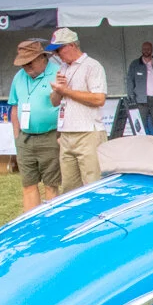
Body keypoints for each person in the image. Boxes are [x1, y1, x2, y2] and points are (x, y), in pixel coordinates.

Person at [47, 28, 107, 192]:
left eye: (59, 49)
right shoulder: (63, 68)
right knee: (69, 187)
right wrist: (58, 90)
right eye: (55, 51)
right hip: (67, 133)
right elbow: (54, 102)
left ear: (72, 45)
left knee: (92, 183)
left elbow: (99, 99)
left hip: (88, 133)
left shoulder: (92, 66)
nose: (58, 55)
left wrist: (66, 91)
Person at [8, 40, 60, 211]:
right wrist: (17, 137)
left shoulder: (57, 73)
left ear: (41, 58)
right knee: (28, 184)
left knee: (51, 184)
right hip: (25, 138)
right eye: (22, 64)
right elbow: (14, 107)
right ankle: (31, 224)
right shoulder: (18, 77)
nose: (25, 67)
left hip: (51, 136)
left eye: (29, 62)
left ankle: (52, 223)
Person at [126, 41, 153, 136]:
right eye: (144, 49)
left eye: (148, 49)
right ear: (141, 50)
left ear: (152, 50)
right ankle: (141, 149)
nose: (146, 51)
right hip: (141, 101)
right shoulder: (135, 64)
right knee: (140, 128)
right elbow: (129, 82)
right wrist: (131, 98)